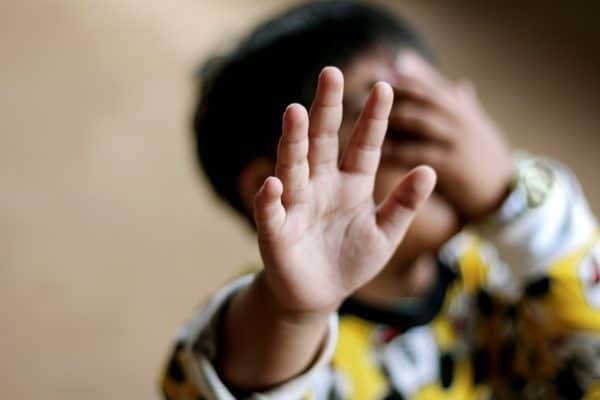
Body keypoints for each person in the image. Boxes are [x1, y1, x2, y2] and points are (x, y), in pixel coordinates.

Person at [160, 1, 600, 399]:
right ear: (279, 179)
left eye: (439, 110)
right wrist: (293, 314)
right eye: (400, 120)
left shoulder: (502, 275)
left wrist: (513, 196)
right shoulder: (270, 321)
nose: (446, 151)